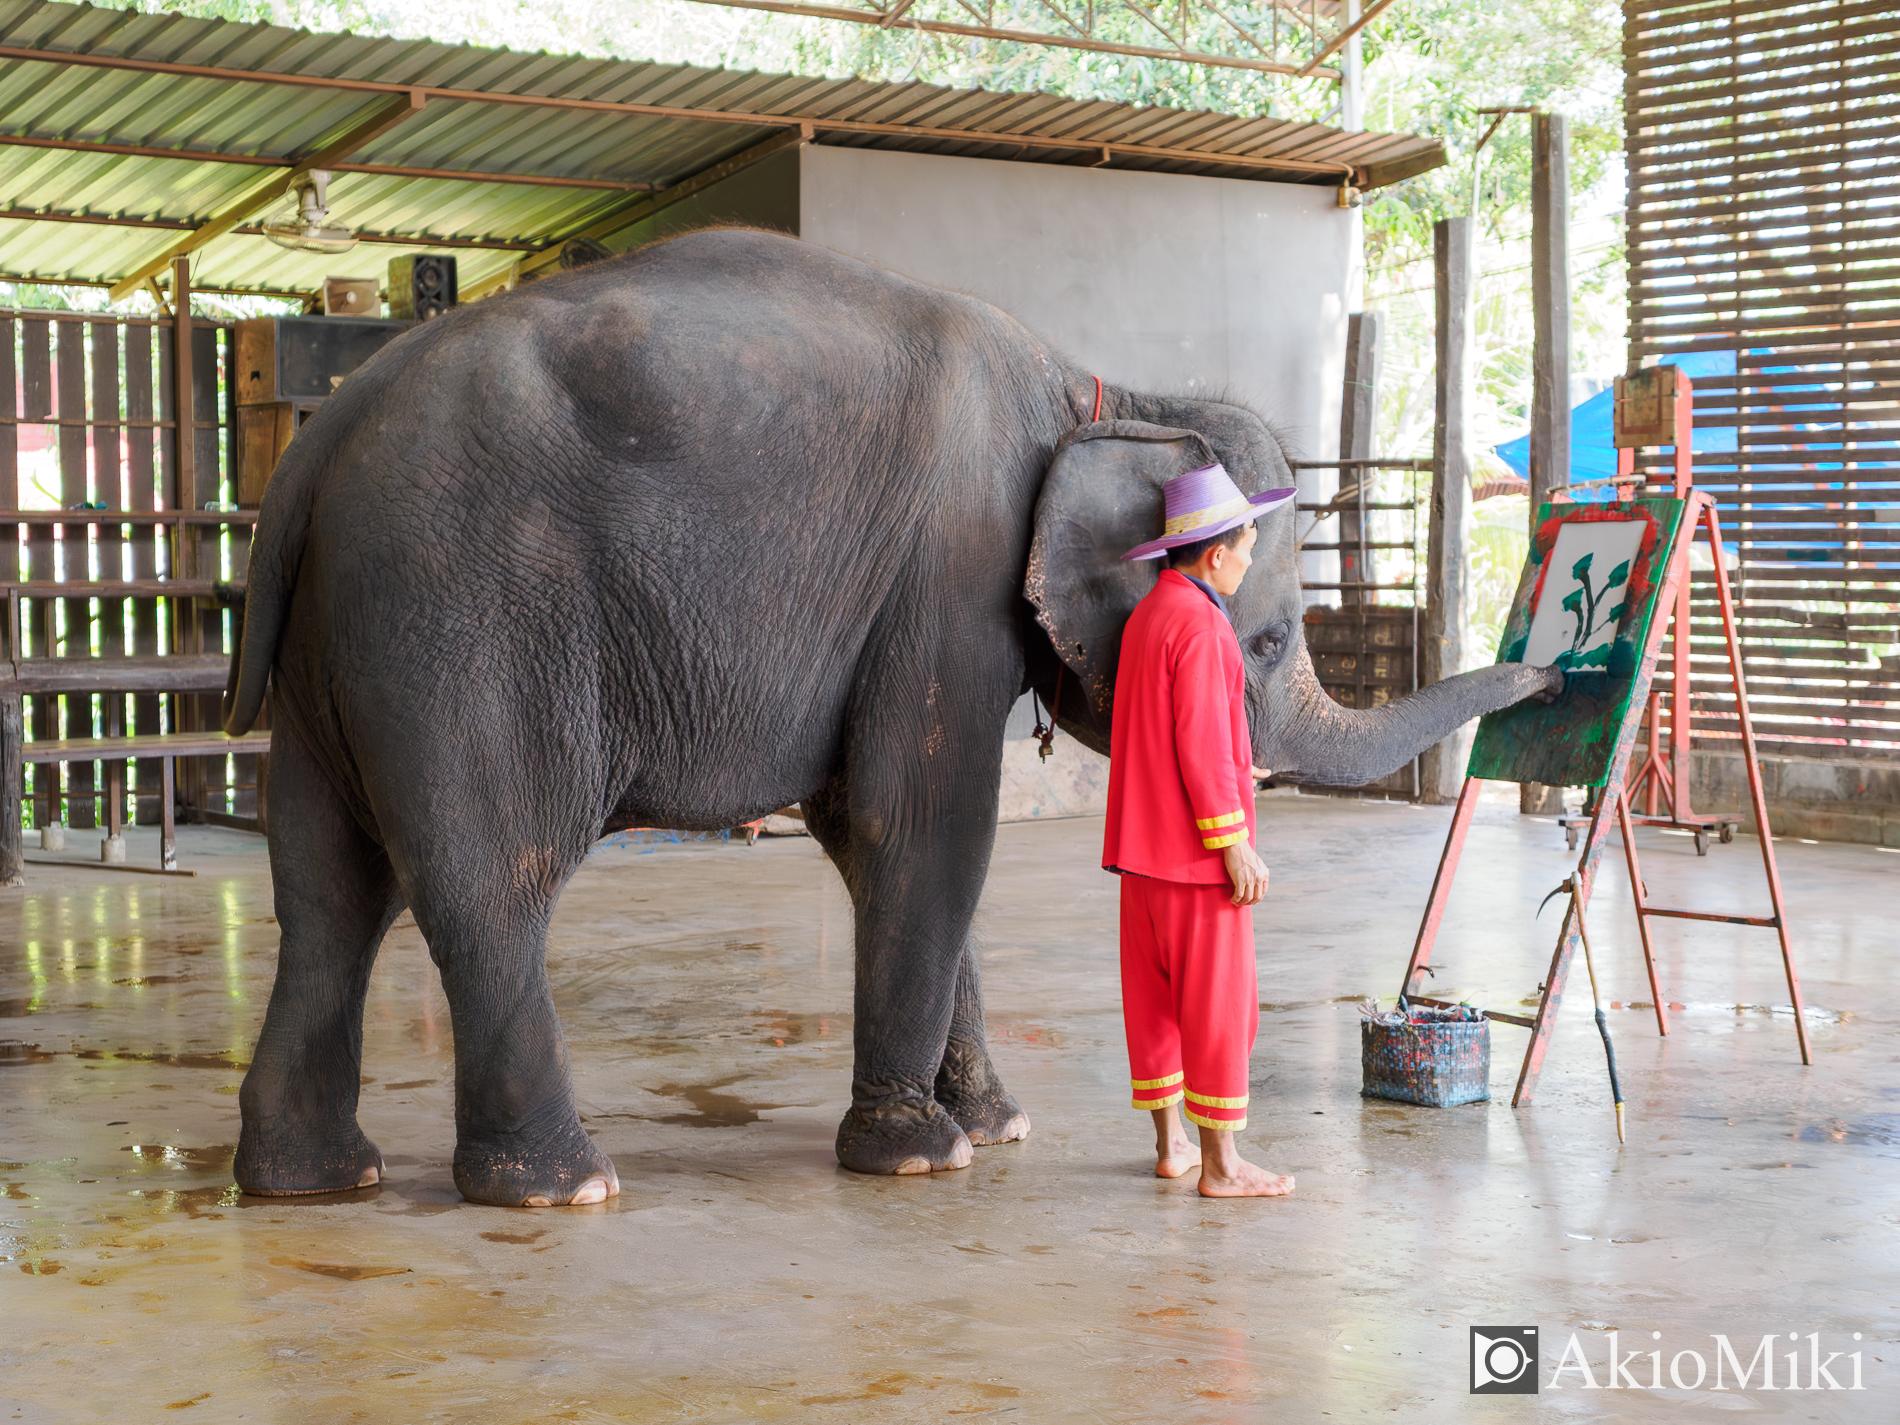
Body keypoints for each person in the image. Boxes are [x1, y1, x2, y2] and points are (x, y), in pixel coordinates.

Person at [1103, 462, 1298, 1199]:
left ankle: (1172, 1144)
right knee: (1219, 1010)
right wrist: (1232, 837)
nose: (1250, 560)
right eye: (1247, 545)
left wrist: (1228, 777)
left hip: (1141, 858)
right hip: (1193, 860)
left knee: (1154, 1005)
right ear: (1214, 554)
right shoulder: (1206, 626)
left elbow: (1161, 737)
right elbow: (1202, 745)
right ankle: (1223, 1165)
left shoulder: (1148, 617)